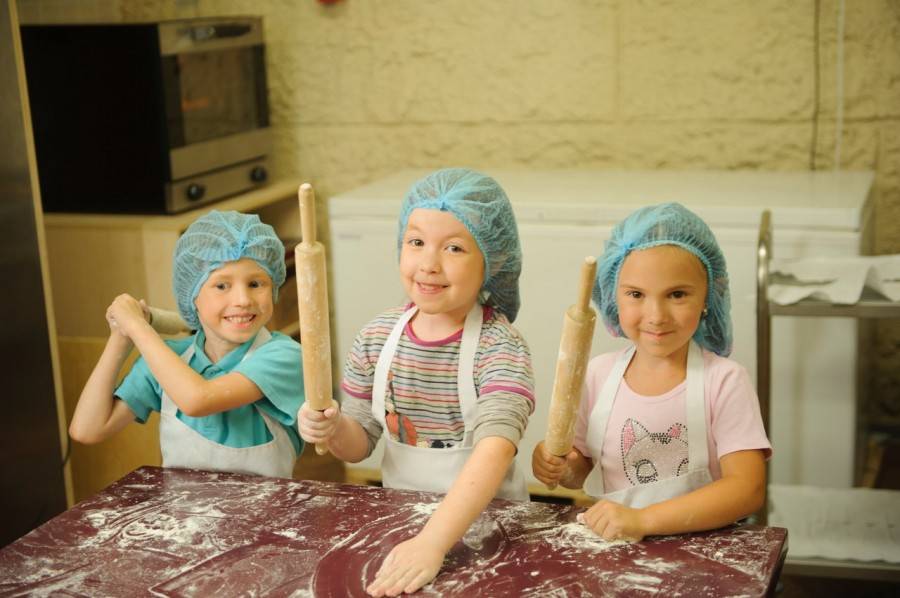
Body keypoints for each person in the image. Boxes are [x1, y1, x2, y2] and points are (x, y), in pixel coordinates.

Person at [299, 168, 534, 596]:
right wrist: (332, 428)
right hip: (405, 528)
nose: (429, 264)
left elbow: (496, 450)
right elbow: (359, 444)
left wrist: (434, 543)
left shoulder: (500, 347)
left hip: (492, 533)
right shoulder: (376, 337)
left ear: (493, 261)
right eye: (416, 242)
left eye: (454, 248)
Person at [532, 202, 771, 543]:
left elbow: (747, 489)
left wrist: (643, 520)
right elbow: (581, 470)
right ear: (614, 296)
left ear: (708, 297)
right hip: (614, 546)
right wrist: (560, 466)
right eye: (636, 294)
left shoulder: (725, 381)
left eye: (677, 294)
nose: (656, 315)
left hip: (705, 549)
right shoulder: (598, 375)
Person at [69, 210, 304, 478]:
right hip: (183, 506)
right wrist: (121, 338)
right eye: (222, 286)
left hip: (266, 505)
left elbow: (197, 400)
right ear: (192, 295)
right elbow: (87, 430)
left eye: (255, 283)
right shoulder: (168, 359)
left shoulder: (283, 356)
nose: (242, 300)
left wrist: (138, 327)